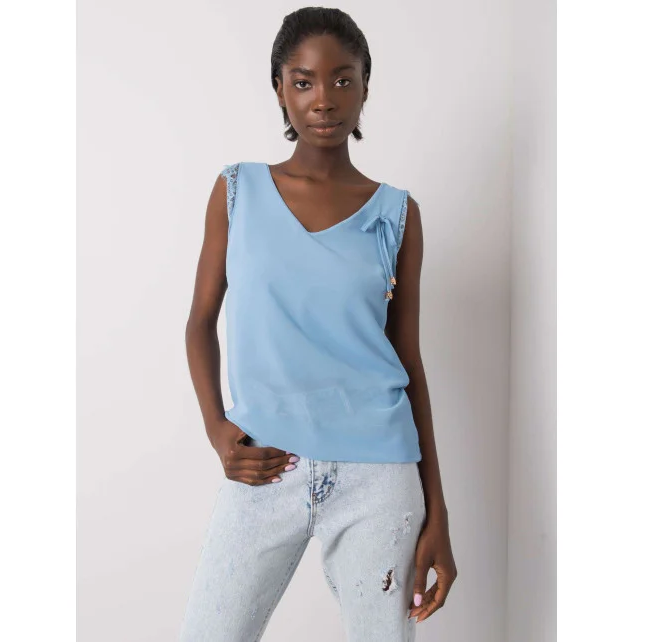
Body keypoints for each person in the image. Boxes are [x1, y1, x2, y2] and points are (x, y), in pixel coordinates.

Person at [179, 7, 456, 641]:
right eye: (303, 81)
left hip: (379, 478)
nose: (323, 99)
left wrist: (437, 513)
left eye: (342, 79)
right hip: (265, 465)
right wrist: (218, 429)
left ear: (365, 87)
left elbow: (408, 361)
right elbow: (199, 321)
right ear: (279, 88)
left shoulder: (397, 215)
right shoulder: (237, 191)